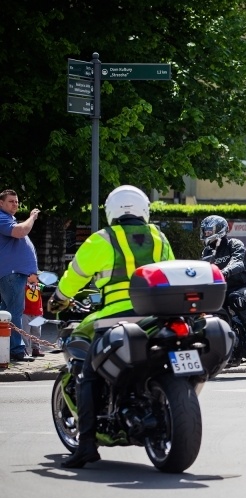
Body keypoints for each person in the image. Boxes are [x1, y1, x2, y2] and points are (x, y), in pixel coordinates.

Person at [48, 185, 174, 468]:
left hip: (116, 316)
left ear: (111, 212)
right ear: (144, 209)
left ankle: (87, 445)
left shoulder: (102, 239)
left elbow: (74, 275)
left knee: (88, 371)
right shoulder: (159, 238)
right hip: (157, 316)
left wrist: (59, 299)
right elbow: (170, 271)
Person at [200, 215, 246, 350]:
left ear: (219, 230)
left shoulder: (234, 244)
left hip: (245, 287)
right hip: (222, 290)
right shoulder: (207, 251)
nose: (206, 234)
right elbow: (203, 269)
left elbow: (238, 262)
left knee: (235, 298)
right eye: (205, 232)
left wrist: (225, 271)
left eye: (209, 231)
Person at [0, 189, 40, 362]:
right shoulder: (2, 218)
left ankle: (8, 348)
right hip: (12, 274)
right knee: (15, 312)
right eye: (11, 201)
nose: (15, 204)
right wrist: (32, 218)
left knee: (7, 313)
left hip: (15, 274)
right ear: (1, 203)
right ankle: (16, 350)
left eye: (16, 201)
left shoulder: (9, 219)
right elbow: (20, 232)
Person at [22, 272, 44, 357]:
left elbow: (48, 288)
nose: (38, 277)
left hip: (37, 312)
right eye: (36, 275)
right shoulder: (23, 285)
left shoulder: (39, 286)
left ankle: (36, 349)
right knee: (25, 332)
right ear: (29, 276)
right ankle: (23, 350)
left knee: (36, 332)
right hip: (25, 312)